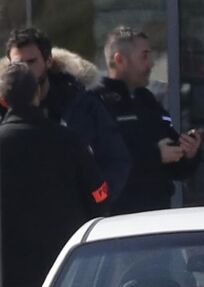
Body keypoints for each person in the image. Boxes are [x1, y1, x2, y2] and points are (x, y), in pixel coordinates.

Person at [0, 62, 109, 287]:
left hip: (10, 272)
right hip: (64, 268)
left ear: (3, 100)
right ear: (38, 94)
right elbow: (99, 193)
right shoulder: (68, 140)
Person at [4, 27, 130, 203]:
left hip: (73, 212)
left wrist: (95, 203)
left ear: (48, 61)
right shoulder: (3, 111)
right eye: (18, 65)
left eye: (31, 62)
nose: (26, 70)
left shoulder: (81, 105)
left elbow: (115, 160)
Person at [93, 26, 201, 215]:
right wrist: (155, 156)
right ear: (120, 60)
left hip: (156, 215)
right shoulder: (95, 103)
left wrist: (187, 152)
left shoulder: (147, 100)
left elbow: (174, 166)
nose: (151, 64)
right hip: (117, 218)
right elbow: (99, 163)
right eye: (144, 57)